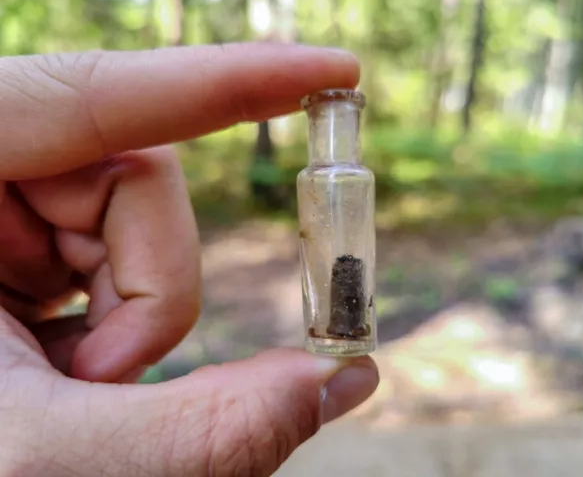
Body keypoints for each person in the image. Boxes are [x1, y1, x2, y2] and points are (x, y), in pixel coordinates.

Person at [0, 43, 379, 476]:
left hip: (347, 329)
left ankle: (347, 329)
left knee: (347, 269)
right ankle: (336, 330)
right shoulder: (316, 178)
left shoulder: (352, 179)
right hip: (330, 330)